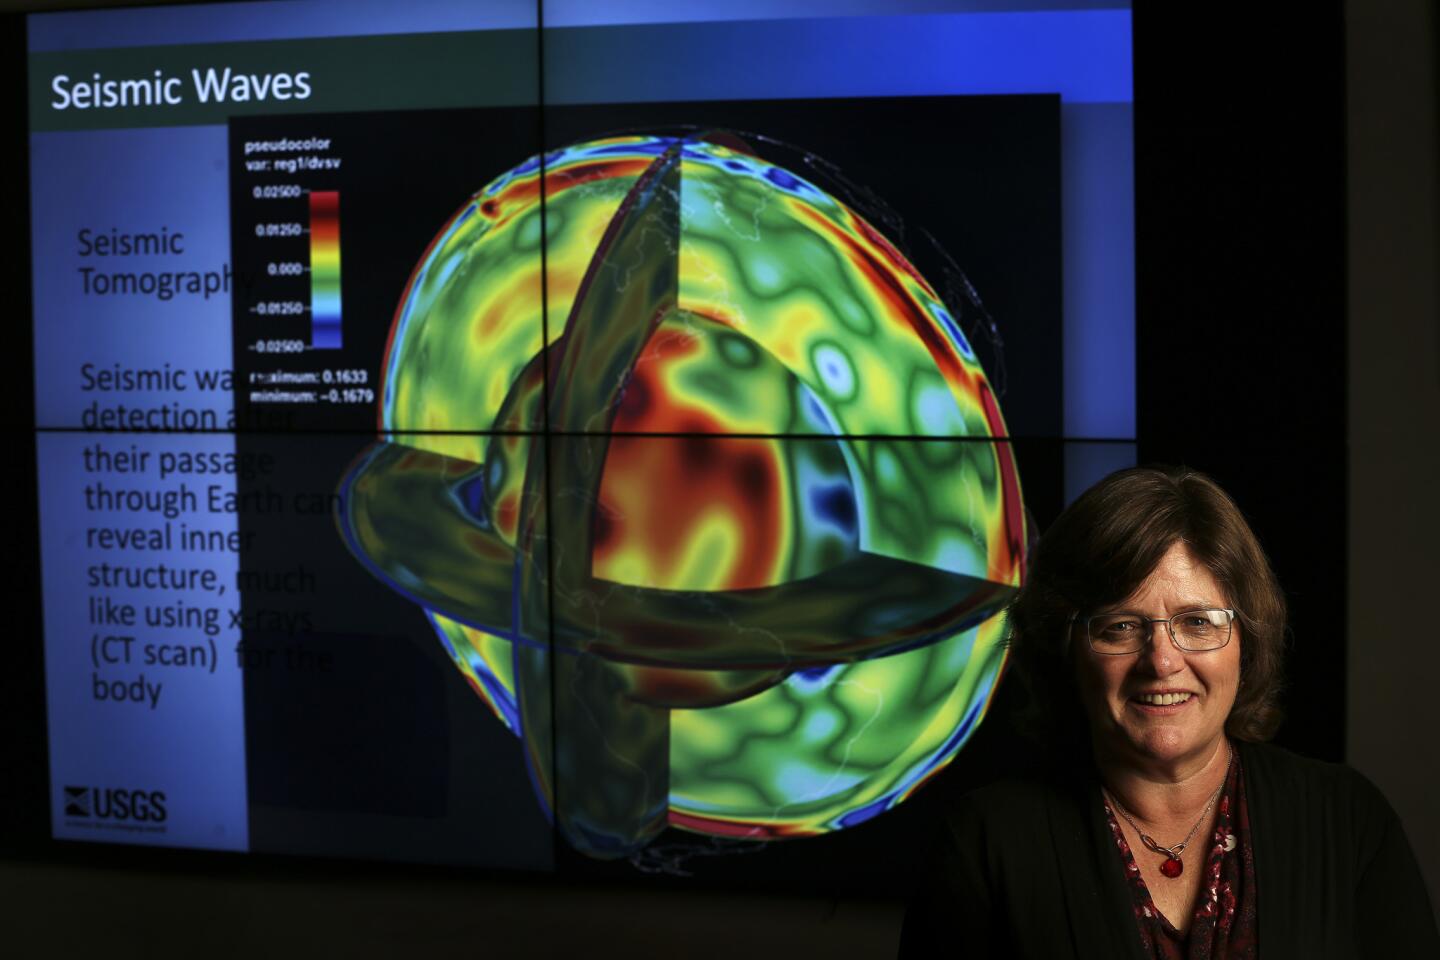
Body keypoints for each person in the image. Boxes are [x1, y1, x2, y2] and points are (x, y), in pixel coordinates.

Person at [903, 465, 1437, 958]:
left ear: (1244, 642)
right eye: (1120, 626)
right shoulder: (984, 842)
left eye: (1199, 622)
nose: (1161, 662)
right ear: (1066, 651)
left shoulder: (1349, 822)